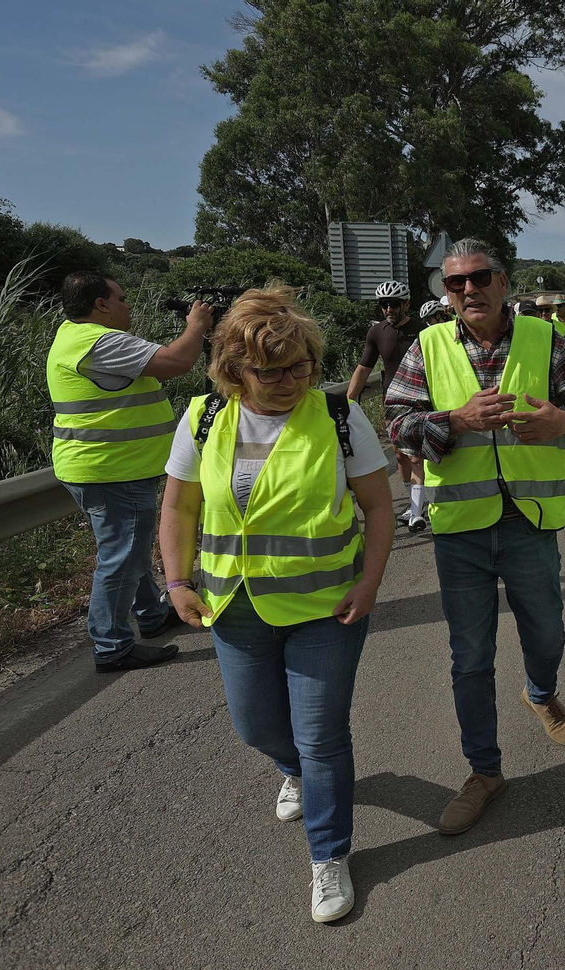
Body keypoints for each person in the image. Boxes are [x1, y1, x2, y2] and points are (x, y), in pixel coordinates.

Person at [158, 286, 395, 923]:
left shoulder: (341, 418)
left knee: (321, 737)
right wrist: (178, 583)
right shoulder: (205, 418)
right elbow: (179, 506)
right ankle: (294, 769)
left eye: (302, 366)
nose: (292, 380)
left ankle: (329, 855)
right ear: (235, 368)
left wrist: (370, 582)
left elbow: (377, 507)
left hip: (327, 608)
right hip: (233, 607)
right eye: (273, 370)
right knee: (256, 728)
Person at [385, 238, 565, 835]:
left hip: (529, 523)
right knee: (470, 657)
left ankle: (541, 691)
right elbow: (398, 424)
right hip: (460, 531)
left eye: (478, 278)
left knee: (548, 630)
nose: (466, 291)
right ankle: (484, 771)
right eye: (454, 283)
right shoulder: (427, 346)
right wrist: (453, 422)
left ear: (503, 281)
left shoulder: (543, 338)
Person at [48, 270, 211, 672]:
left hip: (105, 467)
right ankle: (112, 646)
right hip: (111, 470)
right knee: (121, 556)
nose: (128, 305)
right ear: (100, 305)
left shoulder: (74, 337)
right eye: (121, 298)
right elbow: (177, 362)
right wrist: (196, 326)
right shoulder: (98, 342)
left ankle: (152, 616)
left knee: (126, 550)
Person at [350, 280, 428, 530]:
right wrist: (348, 402)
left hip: (419, 399)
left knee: (416, 457)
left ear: (406, 304)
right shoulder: (376, 332)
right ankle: (413, 505)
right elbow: (364, 369)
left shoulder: (422, 330)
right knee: (400, 456)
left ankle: (417, 512)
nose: (388, 309)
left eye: (393, 304)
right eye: (384, 305)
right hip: (391, 401)